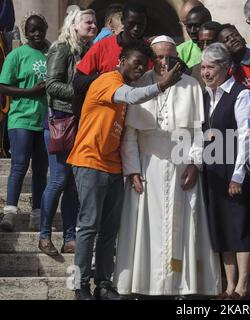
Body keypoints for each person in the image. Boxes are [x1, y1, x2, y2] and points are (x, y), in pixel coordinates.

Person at [67, 41, 183, 300]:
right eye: (135, 62)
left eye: (144, 65)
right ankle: (79, 285)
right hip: (89, 161)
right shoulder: (109, 80)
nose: (140, 68)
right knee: (87, 227)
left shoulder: (126, 84)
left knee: (109, 230)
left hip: (111, 165)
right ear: (121, 60)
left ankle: (104, 284)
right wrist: (163, 85)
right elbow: (131, 97)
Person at [114, 36, 221, 297]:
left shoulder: (191, 85)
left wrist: (196, 163)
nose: (164, 62)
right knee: (144, 228)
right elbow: (130, 134)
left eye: (169, 57)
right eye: (159, 57)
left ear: (178, 57)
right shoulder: (139, 83)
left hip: (181, 164)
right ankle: (143, 283)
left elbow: (198, 131)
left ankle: (180, 283)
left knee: (183, 226)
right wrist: (132, 169)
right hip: (147, 163)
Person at [199, 43, 250, 300]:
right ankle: (228, 286)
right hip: (212, 171)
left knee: (240, 227)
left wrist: (238, 175)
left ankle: (242, 287)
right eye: (203, 67)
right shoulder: (204, 95)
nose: (205, 72)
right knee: (222, 227)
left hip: (236, 170)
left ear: (226, 68)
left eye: (210, 67)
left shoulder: (242, 94)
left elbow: (247, 136)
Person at [38, 8, 97, 257]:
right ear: (74, 24)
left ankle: (70, 237)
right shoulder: (61, 48)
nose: (93, 26)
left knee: (73, 184)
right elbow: (51, 85)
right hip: (60, 120)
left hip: (81, 121)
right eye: (88, 22)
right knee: (60, 178)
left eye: (95, 22)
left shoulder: (88, 51)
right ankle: (44, 235)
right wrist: (84, 93)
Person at [0, 12, 49, 232]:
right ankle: (10, 212)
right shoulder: (17, 55)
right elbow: (2, 86)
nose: (37, 33)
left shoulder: (51, 54)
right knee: (19, 165)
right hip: (21, 119)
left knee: (41, 169)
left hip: (46, 121)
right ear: (26, 32)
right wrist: (29, 91)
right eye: (32, 30)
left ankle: (36, 215)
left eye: (40, 29)